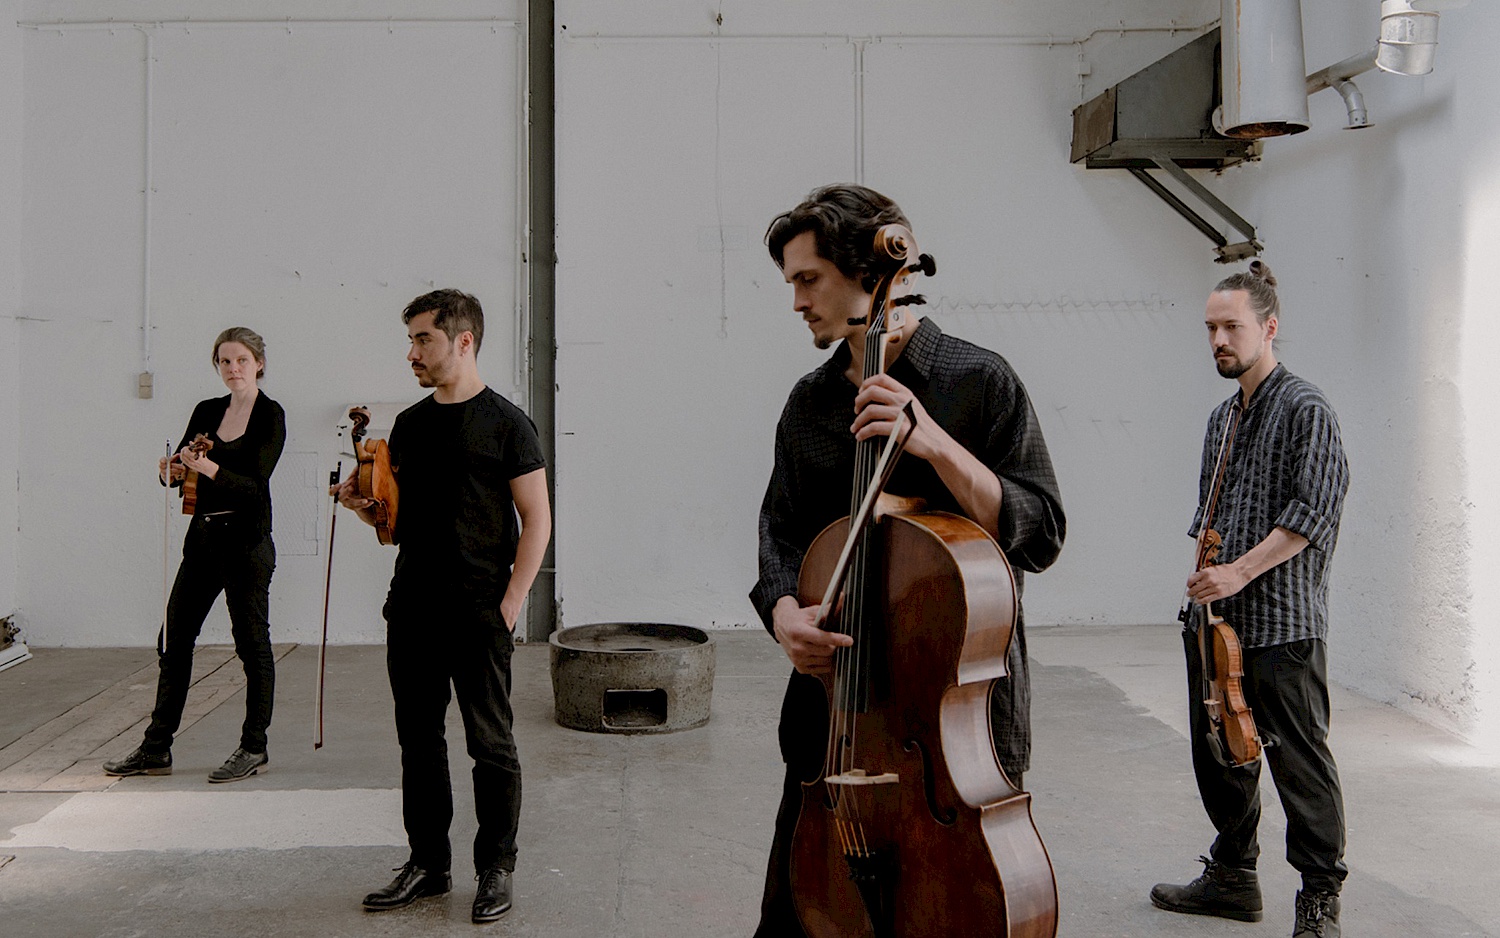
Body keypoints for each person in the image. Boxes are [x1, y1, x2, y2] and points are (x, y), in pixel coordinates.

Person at [749, 184, 1065, 936]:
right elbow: (780, 533)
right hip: (836, 717)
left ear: (869, 271)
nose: (795, 300)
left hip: (954, 722)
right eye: (789, 282)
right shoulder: (811, 401)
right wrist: (784, 612)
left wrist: (934, 443)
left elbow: (1042, 530)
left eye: (808, 279)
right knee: (796, 918)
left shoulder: (977, 380)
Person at [335, 289, 551, 924]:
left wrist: (512, 603)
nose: (411, 353)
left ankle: (495, 869)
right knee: (418, 741)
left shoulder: (509, 424)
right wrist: (363, 504)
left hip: (480, 610)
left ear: (463, 341)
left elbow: (537, 521)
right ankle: (429, 863)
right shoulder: (409, 425)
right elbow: (396, 522)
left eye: (422, 339)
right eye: (409, 340)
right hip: (412, 607)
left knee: (491, 743)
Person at [1151, 261, 1350, 938]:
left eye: (1231, 326)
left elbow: (1312, 513)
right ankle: (1234, 877)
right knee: (1219, 754)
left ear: (1269, 327)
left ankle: (1320, 898)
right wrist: (1207, 582)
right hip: (1216, 623)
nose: (1218, 339)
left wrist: (1239, 572)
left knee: (1300, 762)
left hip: (1281, 623)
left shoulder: (1306, 409)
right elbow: (1211, 516)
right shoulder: (1221, 419)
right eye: (1210, 327)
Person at [104, 327, 286, 784]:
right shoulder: (207, 411)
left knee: (252, 645)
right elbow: (183, 473)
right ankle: (156, 747)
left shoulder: (270, 415)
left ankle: (253, 746)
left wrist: (206, 466)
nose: (233, 369)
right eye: (225, 361)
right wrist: (170, 469)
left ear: (259, 363)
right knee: (174, 640)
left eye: (241, 360)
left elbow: (253, 485)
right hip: (203, 540)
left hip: (246, 544)